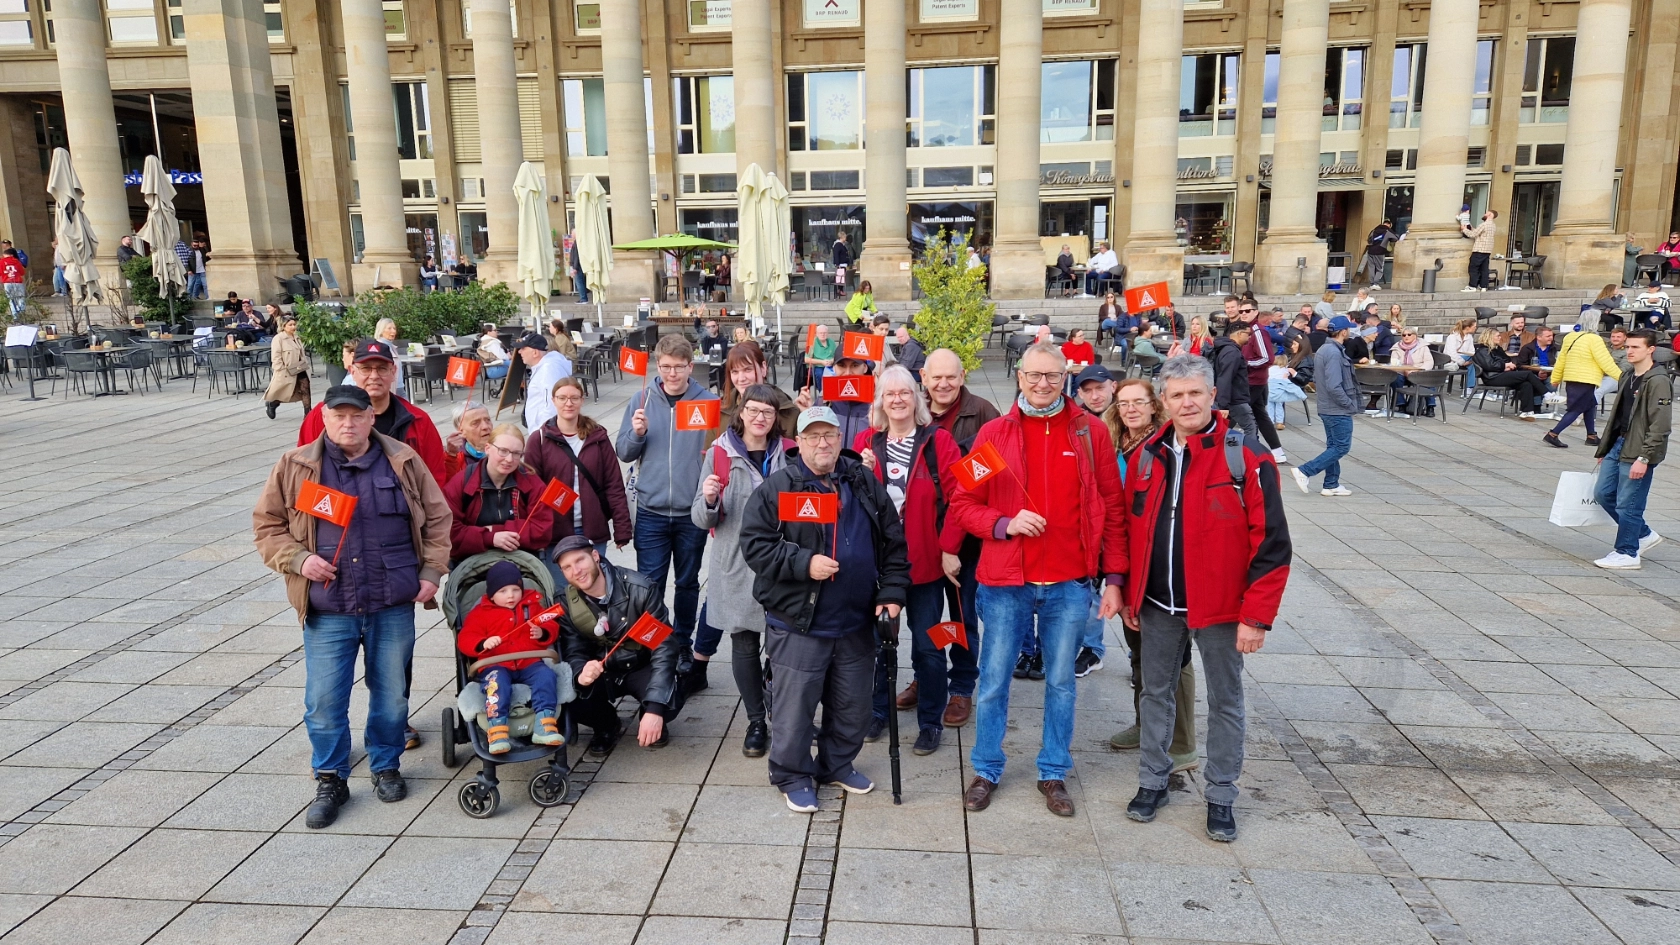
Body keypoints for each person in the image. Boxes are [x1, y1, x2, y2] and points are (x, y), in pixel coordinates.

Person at [252, 384, 451, 828]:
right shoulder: (296, 465)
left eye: (356, 416)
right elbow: (267, 525)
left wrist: (431, 571)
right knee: (323, 701)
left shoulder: (403, 460)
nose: (348, 423)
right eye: (338, 416)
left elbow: (438, 518)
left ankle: (386, 765)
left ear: (370, 418)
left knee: (392, 696)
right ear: (323, 418)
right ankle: (330, 777)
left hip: (391, 601)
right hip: (329, 605)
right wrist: (299, 559)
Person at [1122, 355, 1292, 841]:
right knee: (1154, 694)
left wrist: (1256, 616)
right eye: (1177, 395)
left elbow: (1272, 542)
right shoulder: (1147, 455)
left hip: (1221, 609)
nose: (1187, 403)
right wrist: (1131, 593)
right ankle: (1153, 781)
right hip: (1158, 605)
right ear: (1164, 402)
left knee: (1225, 701)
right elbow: (1132, 531)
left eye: (1195, 392)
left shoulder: (1246, 456)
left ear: (1212, 395)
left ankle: (1220, 795)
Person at [952, 343, 1125, 818]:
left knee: (1062, 682)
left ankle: (1053, 771)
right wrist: (1003, 522)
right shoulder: (993, 433)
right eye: (1034, 375)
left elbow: (1112, 507)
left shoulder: (1089, 432)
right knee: (993, 681)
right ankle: (986, 768)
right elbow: (963, 501)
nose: (1042, 384)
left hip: (1069, 582)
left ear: (1064, 377)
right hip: (1006, 581)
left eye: (1052, 375)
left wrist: (1114, 576)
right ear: (1020, 377)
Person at [739, 405, 910, 812]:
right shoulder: (779, 487)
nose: (822, 443)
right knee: (794, 710)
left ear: (839, 438)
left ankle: (836, 764)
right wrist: (804, 564)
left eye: (829, 435)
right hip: (800, 622)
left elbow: (894, 543)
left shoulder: (863, 481)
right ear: (799, 442)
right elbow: (756, 545)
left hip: (856, 622)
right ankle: (792, 774)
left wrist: (891, 594)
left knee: (853, 706)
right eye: (813, 436)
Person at [853, 367, 963, 755]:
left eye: (904, 393)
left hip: (925, 564)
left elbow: (960, 499)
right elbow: (851, 502)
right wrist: (861, 474)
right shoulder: (866, 441)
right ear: (880, 402)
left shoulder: (939, 441)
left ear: (916, 399)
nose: (897, 399)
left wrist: (949, 547)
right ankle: (877, 710)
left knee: (930, 646)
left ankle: (931, 721)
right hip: (878, 565)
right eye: (890, 394)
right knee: (877, 644)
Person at [693, 384, 794, 758]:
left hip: (783, 564)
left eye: (767, 412)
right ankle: (756, 721)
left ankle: (783, 712)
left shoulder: (790, 452)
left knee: (785, 644)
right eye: (753, 409)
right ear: (741, 412)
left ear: (776, 417)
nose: (759, 417)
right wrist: (709, 498)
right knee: (744, 642)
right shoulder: (719, 453)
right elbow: (701, 518)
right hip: (736, 563)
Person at [1103, 379, 1198, 766]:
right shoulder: (1116, 445)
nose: (1130, 409)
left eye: (1138, 402)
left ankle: (1181, 743)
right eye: (1123, 403)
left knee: (1174, 654)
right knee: (1140, 650)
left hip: (1161, 564)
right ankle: (1147, 725)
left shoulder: (1165, 446)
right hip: (1126, 559)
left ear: (1155, 405)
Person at [617, 334, 717, 658]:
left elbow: (718, 451)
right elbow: (624, 452)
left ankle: (683, 642)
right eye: (666, 366)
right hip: (651, 511)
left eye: (679, 366)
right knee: (650, 584)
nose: (672, 373)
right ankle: (655, 645)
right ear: (657, 366)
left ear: (690, 366)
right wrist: (637, 433)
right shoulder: (641, 399)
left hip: (691, 511)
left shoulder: (707, 402)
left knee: (687, 582)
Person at [919, 349, 996, 725]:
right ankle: (928, 676)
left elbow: (981, 480)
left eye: (951, 376)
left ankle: (962, 685)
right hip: (922, 535)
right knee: (928, 615)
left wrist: (952, 541)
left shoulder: (983, 414)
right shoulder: (914, 410)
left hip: (964, 541)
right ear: (924, 377)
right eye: (936, 377)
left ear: (962, 375)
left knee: (962, 615)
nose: (944, 384)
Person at [554, 536, 685, 754]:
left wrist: (654, 709)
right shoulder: (565, 601)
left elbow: (664, 647)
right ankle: (606, 725)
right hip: (601, 670)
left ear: (595, 556)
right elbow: (573, 650)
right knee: (567, 691)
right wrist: (580, 673)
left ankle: (649, 717)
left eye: (580, 560)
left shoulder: (640, 588)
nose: (576, 571)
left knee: (669, 697)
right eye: (566, 567)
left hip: (640, 664)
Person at [299, 341, 448, 485]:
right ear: (352, 371)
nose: (374, 376)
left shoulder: (417, 420)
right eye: (366, 369)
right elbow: (304, 468)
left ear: (393, 372)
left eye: (382, 369)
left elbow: (435, 478)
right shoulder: (323, 415)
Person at [457, 561, 566, 753]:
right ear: (491, 594)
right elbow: (465, 638)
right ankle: (497, 729)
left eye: (516, 590)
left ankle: (544, 725)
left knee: (546, 676)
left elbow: (551, 625)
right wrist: (483, 643)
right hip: (496, 664)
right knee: (496, 684)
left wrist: (543, 633)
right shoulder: (480, 614)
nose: (510, 595)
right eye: (503, 591)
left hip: (530, 661)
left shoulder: (532, 606)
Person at [527, 376, 632, 572]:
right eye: (562, 398)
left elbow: (614, 485)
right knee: (561, 587)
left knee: (593, 583)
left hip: (592, 528)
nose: (569, 403)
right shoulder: (539, 439)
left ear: (582, 400)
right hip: (556, 532)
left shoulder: (598, 437)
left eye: (574, 398)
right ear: (553, 400)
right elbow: (531, 490)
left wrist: (622, 528)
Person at [1593, 330, 1670, 569]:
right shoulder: (1627, 375)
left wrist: (1644, 457)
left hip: (1638, 449)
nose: (1630, 351)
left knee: (1629, 503)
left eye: (1636, 347)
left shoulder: (1658, 380)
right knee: (1603, 494)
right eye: (1628, 347)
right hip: (1619, 443)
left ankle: (1627, 552)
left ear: (1650, 349)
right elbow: (1619, 416)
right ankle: (1643, 534)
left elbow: (1660, 424)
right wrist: (1605, 448)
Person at [444, 422, 554, 563]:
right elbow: (449, 531)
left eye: (516, 454)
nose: (509, 459)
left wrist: (494, 530)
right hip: (472, 560)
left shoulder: (531, 482)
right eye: (503, 451)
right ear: (488, 448)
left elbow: (542, 530)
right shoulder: (462, 482)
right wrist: (490, 538)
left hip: (521, 559)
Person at [1072, 364, 1117, 677]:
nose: (1094, 395)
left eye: (1099, 388)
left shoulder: (1128, 417)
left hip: (1123, 513)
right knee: (1090, 588)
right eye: (1087, 390)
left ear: (1113, 386)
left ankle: (1141, 660)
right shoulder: (1078, 423)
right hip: (1090, 517)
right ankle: (1092, 647)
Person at [1292, 316, 1360, 496]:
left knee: (1333, 446)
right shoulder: (1333, 352)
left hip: (1328, 407)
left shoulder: (1325, 349)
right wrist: (1348, 404)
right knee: (1341, 447)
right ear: (1343, 331)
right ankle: (1305, 471)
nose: (1349, 332)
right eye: (1348, 329)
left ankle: (1331, 484)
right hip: (1336, 408)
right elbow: (1334, 385)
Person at [1544, 317, 1622, 449]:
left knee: (1590, 404)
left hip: (1571, 377)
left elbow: (1561, 359)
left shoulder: (1570, 337)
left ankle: (1591, 436)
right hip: (1586, 379)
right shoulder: (1595, 339)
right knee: (1576, 409)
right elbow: (1606, 362)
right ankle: (1553, 434)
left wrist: (1556, 378)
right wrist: (1621, 377)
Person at [1242, 307, 1288, 464]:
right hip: (1251, 379)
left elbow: (1267, 358)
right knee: (1260, 415)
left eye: (1247, 311)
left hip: (1254, 380)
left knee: (1236, 411)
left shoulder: (1258, 331)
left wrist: (1246, 364)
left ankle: (1217, 449)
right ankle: (1277, 451)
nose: (1243, 313)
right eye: (1241, 311)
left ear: (1255, 312)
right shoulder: (1247, 328)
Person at [1471, 328, 1548, 419]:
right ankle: (1547, 394)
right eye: (1498, 336)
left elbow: (1507, 359)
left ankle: (1526, 411)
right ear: (1490, 337)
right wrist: (1505, 365)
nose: (1500, 337)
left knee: (1526, 384)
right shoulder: (1483, 350)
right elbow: (1489, 365)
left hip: (1502, 374)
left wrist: (1507, 365)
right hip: (1492, 377)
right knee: (1527, 374)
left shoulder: (1497, 348)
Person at [515, 333, 572, 433]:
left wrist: (543, 433)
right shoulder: (546, 367)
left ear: (535, 353)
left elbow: (552, 404)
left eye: (523, 348)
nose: (519, 351)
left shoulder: (548, 370)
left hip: (545, 432)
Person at [263, 316, 311, 420]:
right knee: (286, 392)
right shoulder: (278, 338)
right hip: (287, 370)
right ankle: (273, 403)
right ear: (283, 326)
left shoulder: (296, 337)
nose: (293, 327)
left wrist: (305, 363)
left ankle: (308, 415)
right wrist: (281, 369)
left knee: (305, 389)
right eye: (290, 325)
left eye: (294, 324)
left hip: (300, 367)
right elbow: (276, 356)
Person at [824, 351, 876, 446]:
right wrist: (806, 412)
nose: (848, 373)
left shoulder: (877, 402)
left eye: (855, 366)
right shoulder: (824, 401)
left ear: (865, 368)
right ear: (834, 368)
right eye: (842, 366)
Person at [1389, 327, 1436, 415]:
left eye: (1409, 334)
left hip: (1419, 371)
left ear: (1415, 336)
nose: (1406, 337)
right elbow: (1394, 363)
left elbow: (1429, 362)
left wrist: (1417, 371)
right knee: (1395, 379)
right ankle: (1401, 404)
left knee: (1428, 379)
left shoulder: (1423, 346)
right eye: (1404, 335)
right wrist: (1405, 370)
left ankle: (1430, 407)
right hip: (1403, 372)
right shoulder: (1396, 347)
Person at [444, 400, 494, 481]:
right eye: (475, 423)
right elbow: (448, 483)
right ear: (461, 431)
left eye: (487, 420)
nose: (485, 426)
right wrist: (451, 456)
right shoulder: (456, 458)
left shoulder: (503, 448)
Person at [1462, 209, 1499, 291]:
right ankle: (1483, 286)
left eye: (1486, 213)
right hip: (1487, 250)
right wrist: (1472, 228)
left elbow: (1473, 234)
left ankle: (1472, 286)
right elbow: (1480, 233)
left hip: (1479, 249)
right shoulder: (1493, 226)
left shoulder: (1484, 225)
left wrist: (1464, 229)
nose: (1484, 214)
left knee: (1473, 268)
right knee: (1484, 269)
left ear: (1490, 215)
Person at [1267, 354, 1308, 426]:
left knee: (1270, 407)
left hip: (1269, 392)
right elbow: (1286, 380)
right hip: (1279, 393)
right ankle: (1280, 422)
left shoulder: (1269, 369)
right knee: (1279, 407)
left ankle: (1270, 422)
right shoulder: (1284, 370)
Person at [1445, 317, 1479, 388]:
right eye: (1474, 326)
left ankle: (1470, 388)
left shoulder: (1469, 337)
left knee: (1473, 362)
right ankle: (1470, 387)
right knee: (1477, 360)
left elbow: (1472, 351)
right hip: (1452, 360)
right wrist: (1462, 362)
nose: (1475, 328)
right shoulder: (1452, 337)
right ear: (1467, 327)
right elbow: (1451, 354)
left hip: (1467, 358)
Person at [1361, 219, 1396, 286]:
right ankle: (1375, 283)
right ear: (1389, 225)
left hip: (1371, 251)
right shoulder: (1388, 231)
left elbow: (1369, 240)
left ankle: (1372, 283)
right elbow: (1395, 238)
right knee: (1379, 269)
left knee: (1371, 268)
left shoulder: (1374, 230)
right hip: (1380, 251)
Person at [807, 323, 839, 389]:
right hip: (818, 366)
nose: (823, 334)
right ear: (816, 334)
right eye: (820, 333)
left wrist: (831, 361)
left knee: (839, 373)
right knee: (820, 374)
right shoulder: (812, 343)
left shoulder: (831, 342)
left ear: (827, 333)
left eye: (824, 333)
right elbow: (806, 359)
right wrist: (822, 362)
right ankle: (822, 392)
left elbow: (836, 355)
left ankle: (834, 392)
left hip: (831, 365)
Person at [0, 248, 25, 315]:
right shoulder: (17, 261)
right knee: (20, 297)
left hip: (7, 282)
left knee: (11, 299)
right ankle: (22, 312)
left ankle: (15, 314)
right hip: (18, 282)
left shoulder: (1, 261)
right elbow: (22, 272)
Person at [570, 233, 588, 303]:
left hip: (578, 266)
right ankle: (583, 298)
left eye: (572, 234)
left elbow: (576, 257)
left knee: (579, 282)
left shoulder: (577, 244)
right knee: (580, 282)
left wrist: (575, 268)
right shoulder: (577, 243)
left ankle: (583, 298)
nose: (571, 235)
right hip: (578, 266)